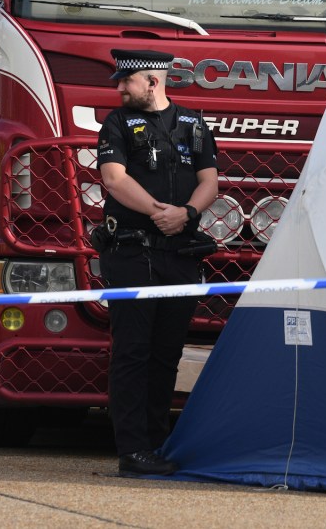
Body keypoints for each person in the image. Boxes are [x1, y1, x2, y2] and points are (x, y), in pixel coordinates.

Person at [95, 48, 219, 477]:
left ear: (152, 81)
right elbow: (113, 178)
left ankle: (157, 443)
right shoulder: (116, 123)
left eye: (124, 81)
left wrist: (187, 215)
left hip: (178, 253)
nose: (118, 88)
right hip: (131, 251)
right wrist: (157, 212)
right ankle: (132, 450)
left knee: (166, 354)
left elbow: (210, 181)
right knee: (132, 351)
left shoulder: (193, 123)